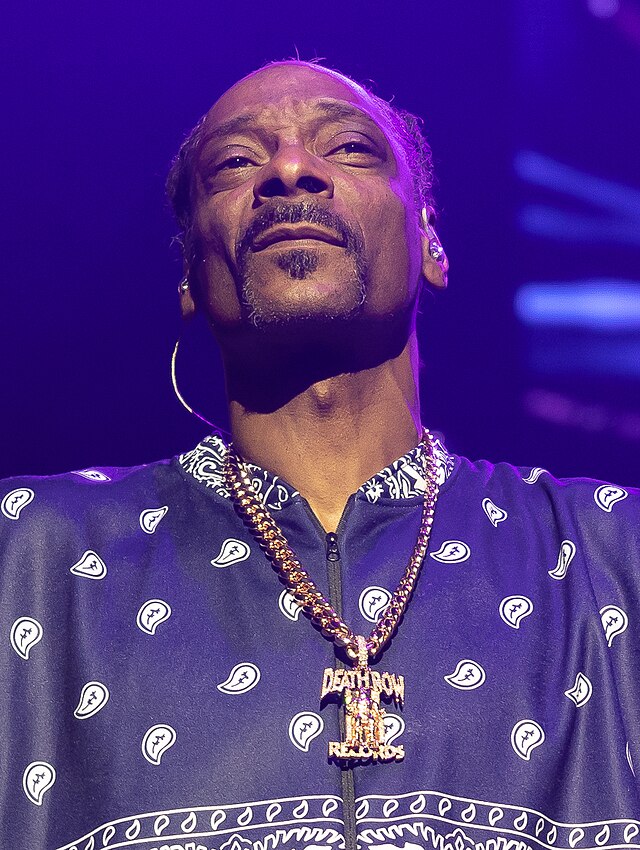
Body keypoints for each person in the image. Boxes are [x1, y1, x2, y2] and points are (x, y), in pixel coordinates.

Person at [1, 60, 638, 850]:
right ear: (190, 277)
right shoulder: (29, 559)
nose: (290, 169)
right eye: (235, 163)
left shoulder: (611, 558)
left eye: (349, 148)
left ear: (431, 244)